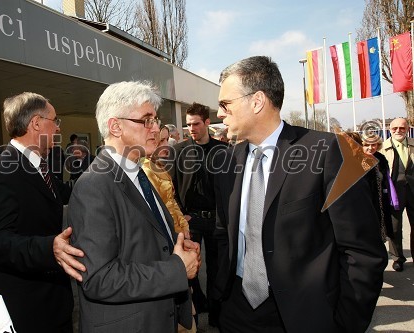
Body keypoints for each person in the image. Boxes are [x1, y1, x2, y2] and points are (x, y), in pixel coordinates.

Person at [213, 56, 387, 333]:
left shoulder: (328, 151)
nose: (220, 113)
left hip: (305, 317)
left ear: (257, 101)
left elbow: (361, 251)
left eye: (225, 104)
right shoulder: (226, 162)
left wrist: (345, 324)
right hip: (237, 312)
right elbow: (225, 234)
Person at [66, 81, 200, 333]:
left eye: (156, 120)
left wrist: (176, 246)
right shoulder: (94, 185)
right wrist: (176, 268)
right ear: (115, 126)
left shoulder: (140, 175)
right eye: (146, 120)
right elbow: (98, 278)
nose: (156, 128)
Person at [0, 92, 86, 333]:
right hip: (29, 310)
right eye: (55, 121)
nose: (58, 128)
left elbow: (67, 195)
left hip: (56, 302)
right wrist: (49, 249)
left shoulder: (42, 166)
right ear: (36, 123)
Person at [169, 102, 227, 327]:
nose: (191, 128)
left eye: (195, 124)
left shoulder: (222, 151)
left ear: (207, 123)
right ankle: (193, 310)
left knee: (216, 268)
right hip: (190, 220)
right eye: (188, 124)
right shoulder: (178, 151)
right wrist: (182, 216)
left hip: (216, 220)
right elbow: (170, 187)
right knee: (189, 268)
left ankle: (216, 314)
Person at [142, 125, 196, 333]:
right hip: (169, 247)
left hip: (179, 239)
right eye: (160, 140)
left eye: (167, 140)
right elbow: (161, 212)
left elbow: (172, 203)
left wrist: (184, 226)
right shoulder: (147, 170)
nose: (165, 146)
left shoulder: (159, 167)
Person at [380, 117, 414, 272]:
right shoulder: (382, 148)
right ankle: (398, 258)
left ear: (407, 129)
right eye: (395, 129)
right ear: (389, 129)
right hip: (394, 195)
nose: (398, 131)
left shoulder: (413, 144)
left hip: (413, 192)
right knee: (394, 228)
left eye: (402, 128)